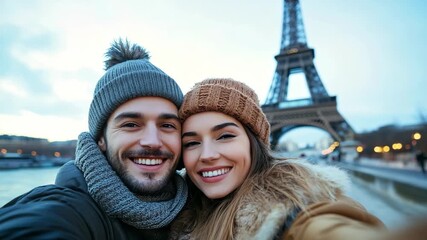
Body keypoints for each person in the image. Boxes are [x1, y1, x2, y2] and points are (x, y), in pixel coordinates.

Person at [169, 78, 427, 240]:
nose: (208, 154)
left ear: (254, 144)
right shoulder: (178, 214)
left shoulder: (296, 211)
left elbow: (323, 227)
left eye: (225, 136)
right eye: (192, 142)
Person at [0, 39, 188, 239]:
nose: (152, 141)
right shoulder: (69, 210)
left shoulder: (198, 208)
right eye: (131, 124)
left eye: (167, 125)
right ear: (101, 139)